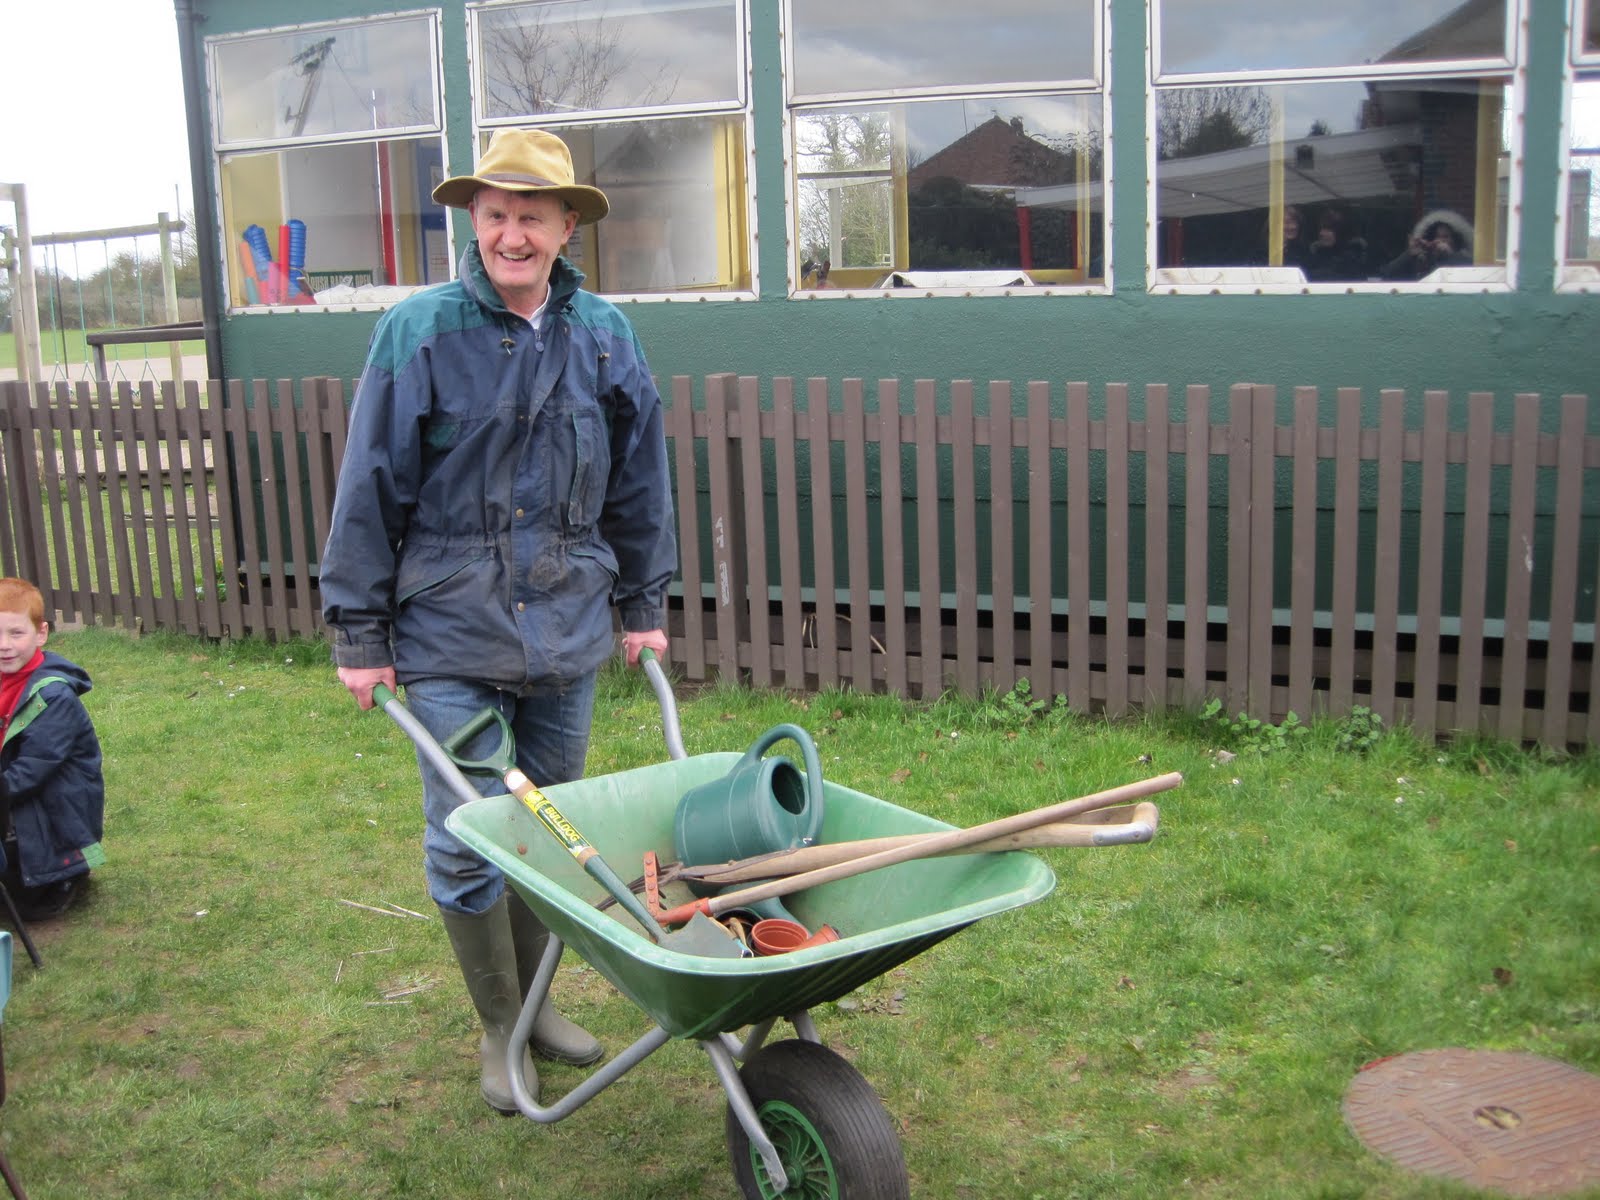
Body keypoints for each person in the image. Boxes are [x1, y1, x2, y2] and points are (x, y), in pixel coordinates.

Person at [318, 129, 676, 1115]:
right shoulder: (419, 332)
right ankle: (496, 1030)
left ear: (567, 227)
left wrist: (642, 602)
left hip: (567, 626)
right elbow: (371, 483)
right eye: (495, 215)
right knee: (473, 832)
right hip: (445, 632)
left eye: (532, 215)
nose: (512, 233)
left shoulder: (605, 335)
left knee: (550, 833)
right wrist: (359, 631)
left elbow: (640, 477)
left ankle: (537, 1011)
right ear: (473, 223)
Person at [0, 577, 106, 921]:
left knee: (32, 907)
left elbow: (33, 769)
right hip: (12, 792)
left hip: (52, 805)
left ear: (41, 634)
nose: (4, 645)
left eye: (16, 634)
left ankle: (65, 873)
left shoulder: (53, 696)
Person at [1381, 210, 1474, 281]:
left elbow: (1472, 271)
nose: (1440, 240)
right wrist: (1408, 254)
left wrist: (1450, 255)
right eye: (1436, 236)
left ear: (1455, 239)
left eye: (1445, 237)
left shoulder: (1463, 258)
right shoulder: (1421, 259)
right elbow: (1388, 274)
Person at [1303, 207, 1370, 282]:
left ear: (1340, 232)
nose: (1322, 233)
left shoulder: (1352, 258)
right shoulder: (1315, 254)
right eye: (1321, 229)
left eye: (1328, 229)